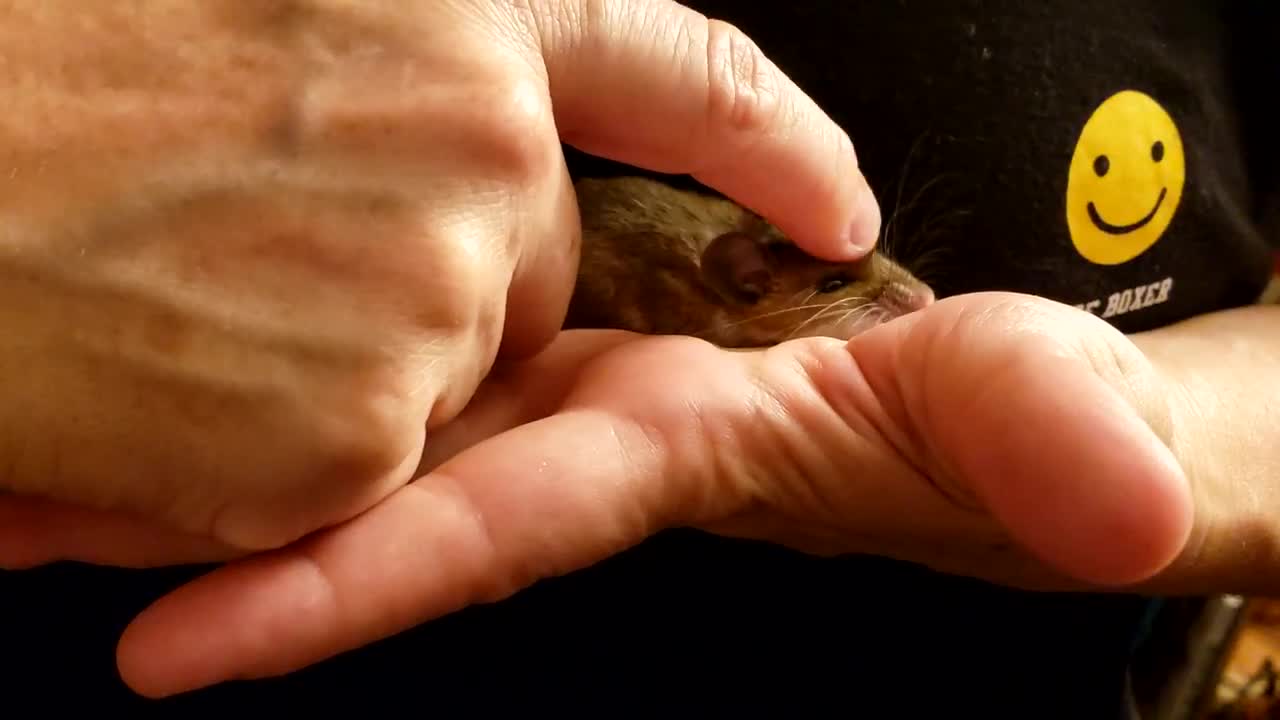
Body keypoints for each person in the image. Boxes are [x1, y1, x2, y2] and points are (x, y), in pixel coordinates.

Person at [1, 0, 1276, 716]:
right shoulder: (698, 279)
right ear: (738, 280)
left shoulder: (741, 286)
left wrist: (1155, 414)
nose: (904, 294)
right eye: (848, 281)